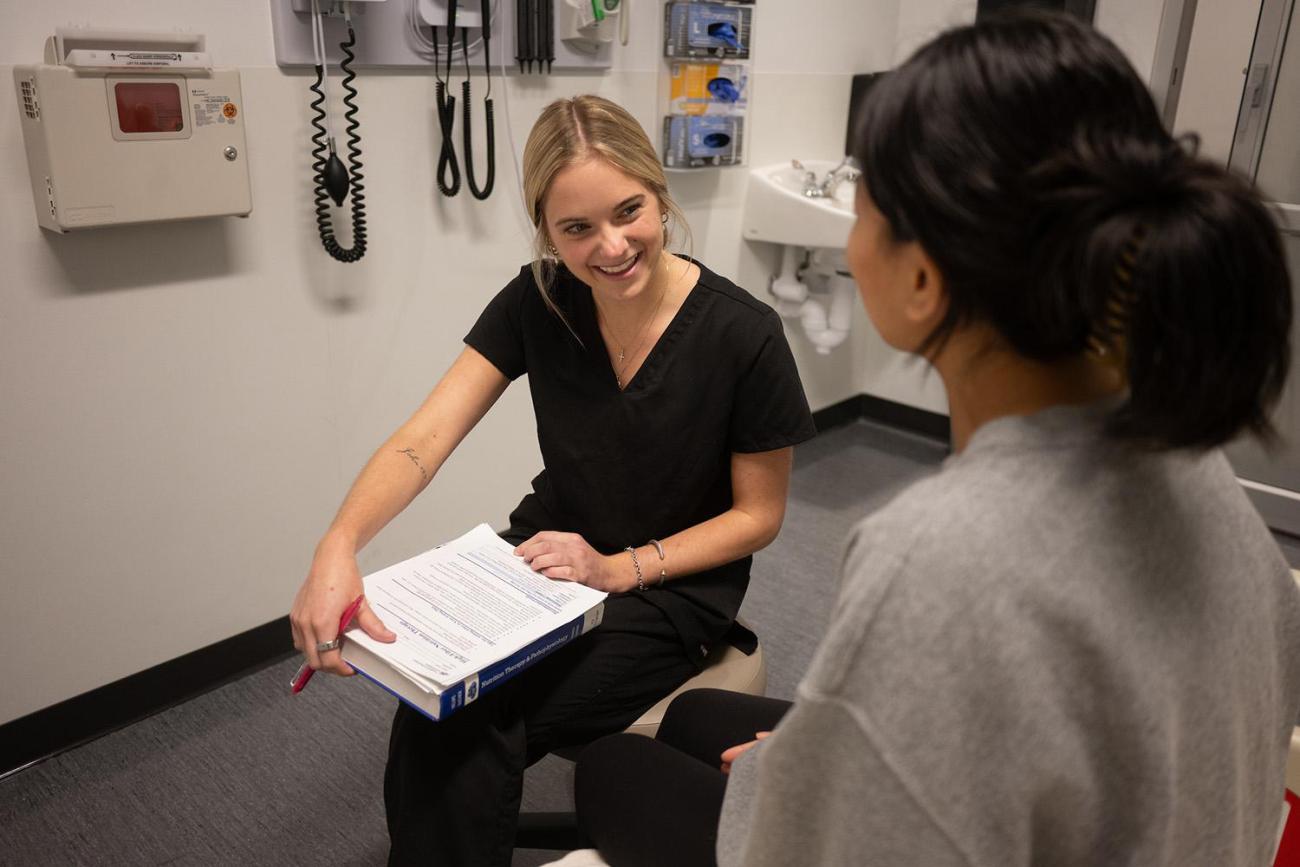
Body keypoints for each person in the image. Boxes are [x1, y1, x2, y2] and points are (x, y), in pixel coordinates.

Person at [573, 11, 1300, 866]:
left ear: (921, 277)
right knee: (699, 716)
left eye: (861, 206)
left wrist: (797, 787)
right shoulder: (1189, 458)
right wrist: (814, 759)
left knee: (615, 767)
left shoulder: (936, 556)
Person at [288, 94, 815, 865]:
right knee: (436, 697)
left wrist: (619, 568)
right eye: (577, 229)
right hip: (547, 556)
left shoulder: (744, 333)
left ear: (659, 193)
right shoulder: (538, 301)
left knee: (473, 717)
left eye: (629, 211)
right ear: (546, 229)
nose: (612, 246)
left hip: (667, 589)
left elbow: (759, 515)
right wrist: (337, 546)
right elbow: (423, 440)